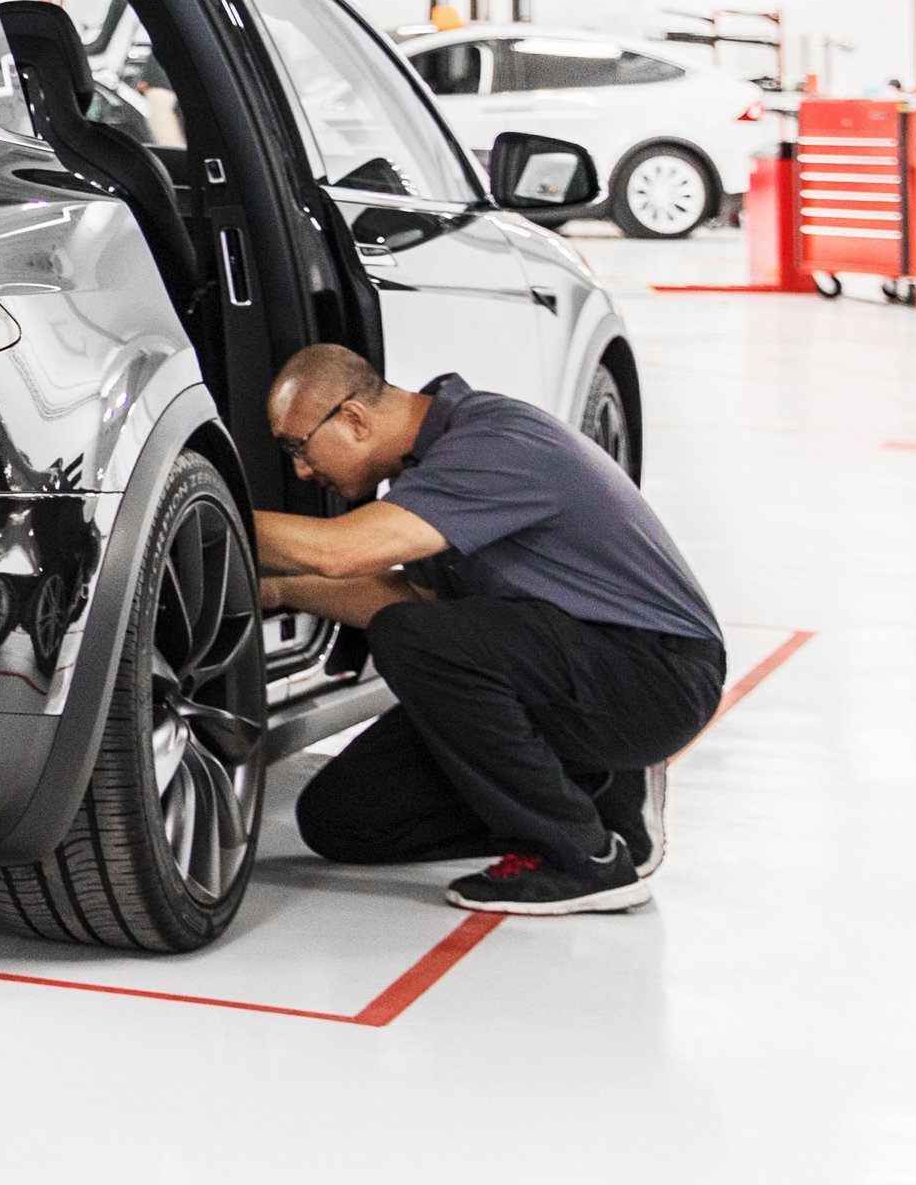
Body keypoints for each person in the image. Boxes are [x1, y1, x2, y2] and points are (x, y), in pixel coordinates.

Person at [259, 343, 725, 916]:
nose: (303, 472)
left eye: (297, 448)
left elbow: (345, 552)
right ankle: (596, 796)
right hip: (570, 664)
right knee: (344, 821)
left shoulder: (490, 443)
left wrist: (218, 512)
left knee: (411, 635)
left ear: (353, 419)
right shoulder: (426, 470)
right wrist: (280, 589)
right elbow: (412, 596)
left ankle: (582, 858)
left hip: (653, 673)